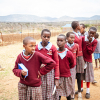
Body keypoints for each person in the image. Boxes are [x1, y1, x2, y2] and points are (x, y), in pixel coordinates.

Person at [35, 29, 59, 100]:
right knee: (40, 90)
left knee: (49, 90)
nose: (46, 38)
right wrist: (39, 65)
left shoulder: (53, 48)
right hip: (39, 73)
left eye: (48, 37)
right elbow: (34, 60)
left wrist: (56, 78)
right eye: (44, 36)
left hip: (50, 73)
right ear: (41, 36)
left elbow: (56, 63)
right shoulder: (36, 47)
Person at [56, 34, 75, 100]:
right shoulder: (55, 52)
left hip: (66, 76)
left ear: (65, 41)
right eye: (58, 40)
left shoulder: (69, 53)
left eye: (61, 40)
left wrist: (66, 69)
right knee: (58, 94)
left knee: (68, 93)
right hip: (57, 77)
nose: (59, 42)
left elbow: (72, 64)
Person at [81, 27, 97, 99]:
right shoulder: (82, 38)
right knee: (81, 75)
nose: (91, 34)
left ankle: (87, 90)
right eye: (90, 32)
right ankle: (80, 88)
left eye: (93, 33)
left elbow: (91, 52)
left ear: (95, 34)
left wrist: (89, 43)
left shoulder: (94, 41)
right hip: (81, 59)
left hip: (88, 60)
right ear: (88, 32)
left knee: (88, 76)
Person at [71, 21, 84, 100]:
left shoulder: (80, 34)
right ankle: (72, 93)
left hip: (80, 57)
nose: (80, 26)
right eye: (79, 25)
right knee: (72, 75)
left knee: (79, 75)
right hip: (74, 57)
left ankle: (79, 92)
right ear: (76, 27)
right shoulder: (72, 35)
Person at [65, 32, 79, 100]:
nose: (72, 39)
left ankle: (72, 95)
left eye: (73, 37)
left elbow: (76, 55)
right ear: (67, 38)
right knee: (66, 81)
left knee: (73, 80)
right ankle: (67, 94)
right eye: (71, 37)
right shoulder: (64, 46)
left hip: (73, 67)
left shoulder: (76, 46)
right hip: (65, 67)